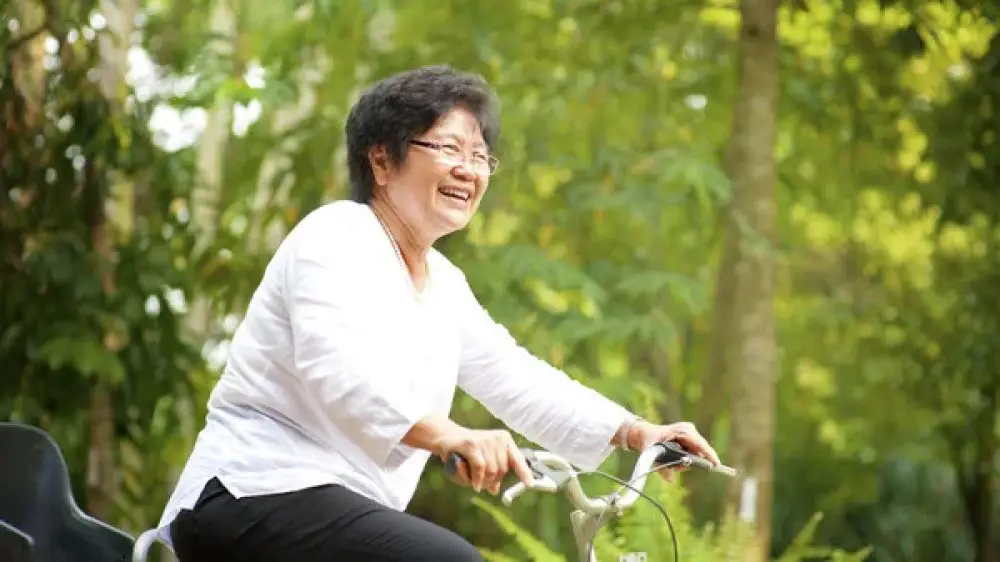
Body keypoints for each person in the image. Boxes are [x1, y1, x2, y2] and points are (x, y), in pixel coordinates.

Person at [159, 64, 722, 562]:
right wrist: (449, 436)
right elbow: (339, 374)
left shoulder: (444, 284)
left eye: (479, 157)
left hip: (338, 511)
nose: (469, 171)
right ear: (382, 160)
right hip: (249, 491)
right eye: (449, 149)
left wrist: (634, 430)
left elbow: (515, 378)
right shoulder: (336, 235)